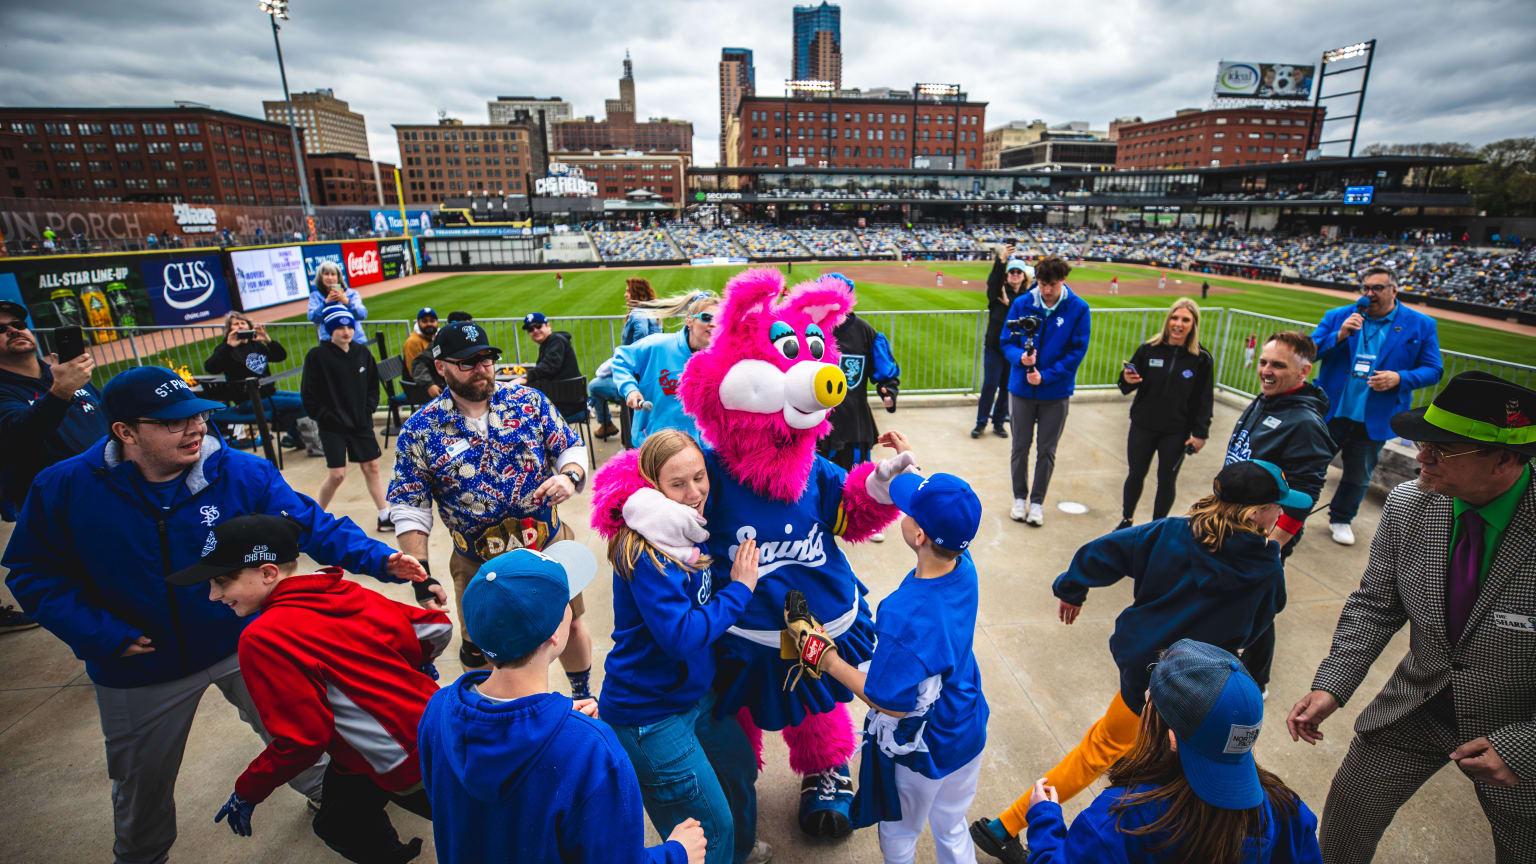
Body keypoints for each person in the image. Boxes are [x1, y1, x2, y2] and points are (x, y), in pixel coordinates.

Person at [1, 364, 433, 864]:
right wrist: (101, 635)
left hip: (244, 645)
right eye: (171, 421)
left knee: (302, 738)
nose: (196, 428)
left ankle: (328, 798)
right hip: (137, 667)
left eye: (198, 415)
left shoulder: (240, 471)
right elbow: (32, 573)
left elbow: (307, 525)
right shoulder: (63, 486)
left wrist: (380, 560)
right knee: (141, 785)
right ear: (124, 432)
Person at [973, 460, 1297, 862]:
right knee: (1110, 752)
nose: (1281, 513)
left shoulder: (1172, 532)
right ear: (1254, 515)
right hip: (1202, 693)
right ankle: (1003, 827)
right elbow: (1263, 623)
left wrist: (1072, 588)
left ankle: (1010, 823)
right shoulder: (1265, 566)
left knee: (1118, 747)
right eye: (1275, 506)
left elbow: (1104, 550)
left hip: (1142, 669)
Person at [1287, 372, 1536, 864]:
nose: (1421, 457)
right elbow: (1376, 605)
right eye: (1423, 442)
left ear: (1505, 459)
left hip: (1515, 728)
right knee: (1341, 831)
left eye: (1443, 449)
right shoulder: (1409, 504)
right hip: (1414, 709)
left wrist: (1525, 746)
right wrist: (1332, 685)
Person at [170, 515, 449, 863]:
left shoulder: (263, 637)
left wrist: (248, 790)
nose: (213, 595)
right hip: (429, 726)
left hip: (399, 760)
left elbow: (301, 740)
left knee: (477, 829)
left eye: (223, 582)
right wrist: (414, 663)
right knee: (339, 821)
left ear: (269, 573)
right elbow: (433, 628)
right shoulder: (342, 590)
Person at [417, 542, 707, 864]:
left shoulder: (438, 709)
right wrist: (678, 853)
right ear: (556, 632)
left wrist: (555, 720)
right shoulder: (592, 751)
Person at [387, 321, 593, 691]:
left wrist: (570, 476)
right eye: (468, 362)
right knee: (484, 648)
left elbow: (569, 445)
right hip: (478, 560)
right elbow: (410, 505)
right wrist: (422, 576)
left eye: (486, 358)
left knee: (570, 622)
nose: (481, 368)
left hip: (547, 544)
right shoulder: (420, 429)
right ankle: (495, 718)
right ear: (441, 367)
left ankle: (582, 693)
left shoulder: (528, 402)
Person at [600, 430, 768, 864]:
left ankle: (738, 854)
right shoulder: (646, 550)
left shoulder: (690, 529)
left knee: (739, 772)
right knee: (708, 831)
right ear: (652, 488)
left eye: (699, 477)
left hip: (695, 698)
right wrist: (741, 590)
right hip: (650, 715)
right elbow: (680, 637)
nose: (694, 493)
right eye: (678, 484)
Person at [812, 471, 988, 864]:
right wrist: (916, 474)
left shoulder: (904, 614)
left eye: (908, 511)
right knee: (951, 823)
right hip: (968, 726)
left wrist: (828, 660)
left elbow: (889, 702)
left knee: (899, 830)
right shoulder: (964, 565)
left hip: (924, 748)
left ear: (920, 536)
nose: (902, 515)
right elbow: (947, 516)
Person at [1024, 640, 1322, 863]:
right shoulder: (1288, 811)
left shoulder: (1121, 819)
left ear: (1173, 739)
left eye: (1150, 702)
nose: (1145, 700)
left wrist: (1044, 820)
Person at [1223, 331, 1334, 694]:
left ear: (1304, 371)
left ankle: (1256, 680)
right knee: (1240, 599)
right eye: (1264, 362)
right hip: (1234, 522)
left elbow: (1306, 492)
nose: (1266, 371)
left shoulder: (1304, 423)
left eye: (1278, 365)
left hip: (1262, 533)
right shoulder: (1269, 398)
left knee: (1256, 606)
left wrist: (1274, 543)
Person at [1310, 267, 1443, 547]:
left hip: (1374, 418)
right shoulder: (1339, 316)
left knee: (1358, 475)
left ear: (1394, 290)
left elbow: (1434, 369)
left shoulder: (1420, 324)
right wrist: (1340, 334)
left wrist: (1400, 378)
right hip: (1332, 411)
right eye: (1365, 287)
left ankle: (1341, 518)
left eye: (1377, 288)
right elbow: (1309, 350)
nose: (1369, 294)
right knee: (1309, 465)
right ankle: (1293, 510)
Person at [1001, 255, 1091, 527]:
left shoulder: (1078, 308)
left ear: (1063, 280)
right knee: (1019, 447)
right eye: (1041, 283)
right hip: (1021, 390)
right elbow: (1006, 341)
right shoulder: (1022, 303)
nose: (1046, 290)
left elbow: (1077, 351)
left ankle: (1037, 502)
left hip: (1056, 392)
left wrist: (1047, 376)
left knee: (1047, 450)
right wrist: (1021, 358)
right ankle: (1019, 498)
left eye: (1051, 284)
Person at [0, 299, 107, 515]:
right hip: (57, 506)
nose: (13, 330)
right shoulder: (8, 389)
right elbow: (21, 432)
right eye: (1, 329)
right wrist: (61, 391)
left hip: (109, 486)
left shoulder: (62, 373)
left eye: (19, 325)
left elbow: (106, 414)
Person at [1116, 298, 1214, 530]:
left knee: (1166, 481)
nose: (1178, 324)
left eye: (1185, 320)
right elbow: (1126, 385)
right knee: (1136, 474)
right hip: (1143, 425)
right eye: (1175, 317)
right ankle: (1126, 519)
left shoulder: (1201, 358)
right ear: (1168, 320)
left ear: (1193, 324)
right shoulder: (1148, 350)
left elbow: (1204, 399)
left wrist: (1200, 433)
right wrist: (1126, 378)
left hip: (1176, 431)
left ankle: (1155, 527)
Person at [301, 306, 390, 528]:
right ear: (330, 330)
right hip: (332, 425)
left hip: (360, 422)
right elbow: (309, 395)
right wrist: (326, 416)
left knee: (372, 467)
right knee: (337, 475)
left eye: (349, 326)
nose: (346, 331)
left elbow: (372, 385)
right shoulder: (317, 356)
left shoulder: (362, 353)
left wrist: (368, 408)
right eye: (340, 327)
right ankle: (312, 519)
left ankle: (384, 514)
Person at [611, 292, 720, 445]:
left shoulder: (722, 358)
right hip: (654, 446)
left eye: (720, 319)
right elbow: (621, 359)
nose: (714, 323)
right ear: (689, 321)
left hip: (701, 451)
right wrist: (630, 389)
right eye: (707, 317)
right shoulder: (658, 345)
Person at [818, 273, 901, 469]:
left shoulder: (864, 332)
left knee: (852, 487)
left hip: (852, 427)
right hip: (815, 428)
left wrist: (888, 392)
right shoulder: (810, 330)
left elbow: (885, 372)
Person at [204, 311, 306, 446]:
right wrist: (228, 346)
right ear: (229, 329)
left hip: (269, 393)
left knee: (308, 398)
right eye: (236, 324)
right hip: (248, 400)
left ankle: (294, 435)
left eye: (243, 323)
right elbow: (211, 367)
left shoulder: (256, 345)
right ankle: (292, 437)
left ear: (249, 326)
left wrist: (267, 339)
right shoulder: (225, 349)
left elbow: (279, 356)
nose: (240, 326)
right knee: (302, 403)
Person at [589, 278, 662, 439]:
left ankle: (606, 424)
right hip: (651, 374)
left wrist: (632, 355)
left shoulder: (637, 312)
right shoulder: (654, 312)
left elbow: (641, 333)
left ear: (638, 293)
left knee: (594, 386)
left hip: (634, 377)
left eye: (628, 291)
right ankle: (606, 424)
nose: (625, 295)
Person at [974, 250, 1029, 439]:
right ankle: (981, 422)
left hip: (1013, 349)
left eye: (1018, 272)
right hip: (995, 346)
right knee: (990, 384)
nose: (1015, 275)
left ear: (1023, 276)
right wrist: (1001, 261)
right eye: (1011, 272)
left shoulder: (1025, 297)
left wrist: (1010, 303)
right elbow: (993, 282)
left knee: (1007, 387)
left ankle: (999, 422)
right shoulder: (998, 293)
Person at [517, 311, 585, 417]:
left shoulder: (556, 340)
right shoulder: (550, 342)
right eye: (530, 329)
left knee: (522, 413)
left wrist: (526, 378)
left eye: (538, 326)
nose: (535, 330)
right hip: (562, 399)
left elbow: (550, 366)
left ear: (548, 326)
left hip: (567, 403)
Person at [305, 261, 368, 342]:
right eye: (326, 274)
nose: (330, 277)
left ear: (338, 277)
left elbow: (362, 314)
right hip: (329, 343)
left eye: (333, 274)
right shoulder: (315, 296)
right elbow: (313, 318)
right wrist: (325, 303)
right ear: (320, 277)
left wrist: (346, 301)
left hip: (355, 341)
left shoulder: (352, 293)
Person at [400, 307, 439, 388]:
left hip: (433, 381)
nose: (429, 324)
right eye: (424, 321)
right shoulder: (412, 342)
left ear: (437, 322)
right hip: (417, 387)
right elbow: (415, 372)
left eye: (432, 321)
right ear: (418, 322)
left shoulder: (435, 337)